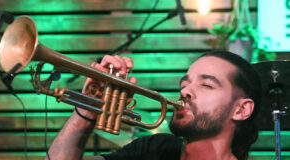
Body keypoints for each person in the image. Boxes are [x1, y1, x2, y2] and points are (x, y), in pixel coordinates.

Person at [46, 50, 262, 160]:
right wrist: (87, 108)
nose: (185, 91)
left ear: (241, 110)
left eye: (207, 85)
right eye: (184, 83)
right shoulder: (154, 150)